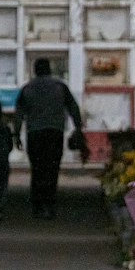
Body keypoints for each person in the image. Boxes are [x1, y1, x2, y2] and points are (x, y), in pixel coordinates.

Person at [13, 58, 84, 219]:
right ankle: (50, 206)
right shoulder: (60, 87)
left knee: (37, 170)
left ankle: (37, 207)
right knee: (52, 170)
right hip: (55, 133)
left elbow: (19, 114)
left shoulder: (27, 89)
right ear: (50, 69)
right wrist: (78, 128)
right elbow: (73, 108)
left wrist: (16, 134)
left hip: (35, 134)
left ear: (35, 71)